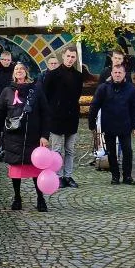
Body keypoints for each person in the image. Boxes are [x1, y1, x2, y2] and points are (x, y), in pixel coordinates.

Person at [0, 62, 50, 212]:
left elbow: (45, 113)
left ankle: (40, 198)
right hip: (13, 137)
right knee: (16, 170)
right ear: (13, 73)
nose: (19, 71)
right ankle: (17, 197)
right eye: (16, 69)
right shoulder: (7, 91)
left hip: (33, 137)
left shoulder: (36, 90)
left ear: (26, 72)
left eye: (22, 69)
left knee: (36, 169)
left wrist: (44, 135)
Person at [88, 57, 135, 185]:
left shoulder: (131, 89)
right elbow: (94, 106)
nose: (117, 75)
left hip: (125, 125)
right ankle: (115, 176)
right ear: (111, 74)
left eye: (120, 73)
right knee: (111, 152)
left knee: (127, 151)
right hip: (109, 124)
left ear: (124, 74)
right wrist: (91, 124)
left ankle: (127, 176)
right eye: (115, 72)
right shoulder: (103, 88)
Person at [41, 46, 85, 188]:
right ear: (63, 56)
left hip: (72, 117)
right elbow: (45, 96)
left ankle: (68, 175)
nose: (70, 59)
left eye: (73, 57)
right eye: (68, 56)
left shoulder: (78, 76)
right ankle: (58, 176)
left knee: (70, 149)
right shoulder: (52, 75)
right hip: (57, 117)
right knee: (57, 150)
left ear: (75, 58)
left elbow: (77, 95)